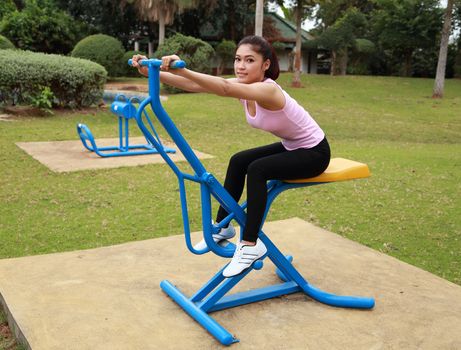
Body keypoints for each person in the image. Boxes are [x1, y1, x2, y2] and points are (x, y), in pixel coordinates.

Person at [132, 35, 330, 278]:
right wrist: (151, 74)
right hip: (293, 146)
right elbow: (197, 86)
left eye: (249, 60)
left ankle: (250, 244)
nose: (241, 66)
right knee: (239, 161)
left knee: (258, 169)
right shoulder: (245, 85)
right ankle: (223, 226)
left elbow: (223, 88)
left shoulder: (267, 90)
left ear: (265, 65)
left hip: (315, 152)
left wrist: (183, 67)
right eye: (238, 59)